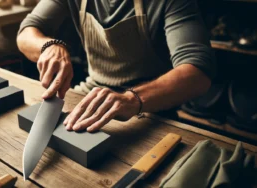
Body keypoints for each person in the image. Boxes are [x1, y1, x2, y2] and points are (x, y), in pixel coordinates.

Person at [17, 0, 215, 133]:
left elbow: (197, 72)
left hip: (149, 106)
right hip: (89, 93)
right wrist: (48, 46)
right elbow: (26, 33)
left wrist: (131, 99)